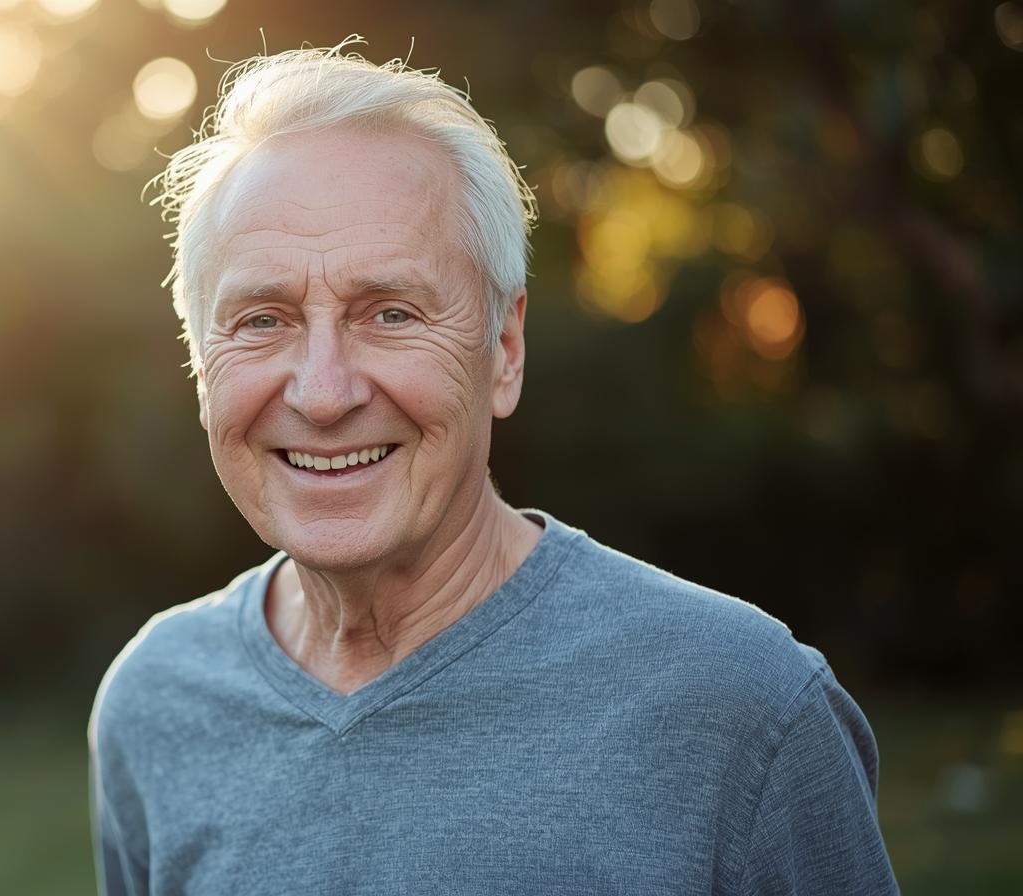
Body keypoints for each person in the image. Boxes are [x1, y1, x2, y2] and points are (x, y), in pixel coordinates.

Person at [89, 44, 898, 895]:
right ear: (201, 363)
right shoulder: (157, 703)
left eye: (390, 313)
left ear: (503, 350)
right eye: (262, 320)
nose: (323, 393)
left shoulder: (744, 710)